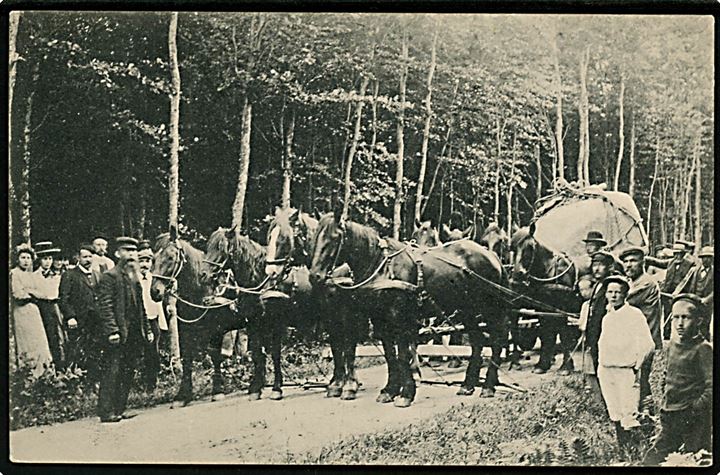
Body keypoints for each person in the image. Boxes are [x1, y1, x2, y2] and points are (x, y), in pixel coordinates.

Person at [642, 294, 712, 465]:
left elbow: (712, 387)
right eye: (676, 318)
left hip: (692, 418)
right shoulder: (673, 345)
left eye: (686, 318)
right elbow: (668, 374)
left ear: (699, 321)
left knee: (693, 459)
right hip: (671, 414)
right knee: (651, 459)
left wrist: (695, 408)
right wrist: (665, 397)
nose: (680, 323)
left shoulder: (703, 349)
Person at [96, 237, 153, 423]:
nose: (130, 255)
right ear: (117, 254)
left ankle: (120, 409)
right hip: (118, 333)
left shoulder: (135, 277)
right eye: (126, 251)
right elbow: (105, 306)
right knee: (112, 370)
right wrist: (112, 330)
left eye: (133, 251)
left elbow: (142, 306)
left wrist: (147, 329)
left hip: (134, 333)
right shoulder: (110, 276)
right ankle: (106, 412)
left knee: (128, 370)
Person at [597, 274, 655, 450]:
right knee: (614, 410)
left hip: (626, 370)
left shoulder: (634, 315)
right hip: (607, 369)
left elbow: (648, 344)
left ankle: (638, 449)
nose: (614, 296)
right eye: (610, 292)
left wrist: (636, 366)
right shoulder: (607, 317)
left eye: (618, 292)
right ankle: (623, 449)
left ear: (625, 294)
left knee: (629, 411)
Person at [620, 246, 662, 415]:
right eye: (625, 262)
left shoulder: (645, 283)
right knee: (635, 377)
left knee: (640, 379)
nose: (628, 265)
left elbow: (621, 300)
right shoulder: (632, 282)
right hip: (635, 339)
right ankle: (640, 412)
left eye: (633, 261)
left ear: (642, 263)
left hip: (644, 341)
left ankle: (646, 414)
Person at [59, 243, 102, 381]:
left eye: (90, 256)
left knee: (94, 351)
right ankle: (75, 381)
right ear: (78, 257)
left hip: (95, 321)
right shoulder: (69, 275)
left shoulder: (98, 275)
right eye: (84, 257)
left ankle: (92, 380)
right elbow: (64, 299)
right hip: (78, 321)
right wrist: (71, 316)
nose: (88, 259)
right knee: (76, 351)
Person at [10, 244, 53, 377]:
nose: (26, 261)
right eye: (23, 257)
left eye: (28, 258)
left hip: (34, 311)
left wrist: (30, 292)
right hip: (22, 311)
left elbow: (43, 293)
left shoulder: (31, 274)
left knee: (39, 341)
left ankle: (43, 374)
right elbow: (18, 294)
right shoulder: (14, 273)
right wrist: (32, 293)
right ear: (17, 259)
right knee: (27, 342)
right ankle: (29, 373)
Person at [137, 240, 167, 393]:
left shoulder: (153, 277)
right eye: (141, 260)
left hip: (153, 317)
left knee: (152, 351)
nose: (144, 264)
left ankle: (151, 383)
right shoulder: (133, 278)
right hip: (137, 320)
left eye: (147, 261)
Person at [33, 241, 67, 370]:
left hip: (55, 307)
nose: (48, 262)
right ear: (39, 260)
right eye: (45, 259)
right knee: (45, 335)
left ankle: (60, 366)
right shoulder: (34, 276)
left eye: (50, 259)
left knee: (59, 336)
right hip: (41, 307)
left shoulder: (57, 276)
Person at [660, 242, 696, 339]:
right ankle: (666, 336)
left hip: (681, 295)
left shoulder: (690, 264)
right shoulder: (670, 262)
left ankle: (682, 337)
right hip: (667, 294)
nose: (677, 256)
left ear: (683, 254)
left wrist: (681, 293)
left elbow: (688, 281)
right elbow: (657, 263)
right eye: (675, 254)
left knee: (681, 315)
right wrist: (645, 259)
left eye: (679, 254)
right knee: (667, 314)